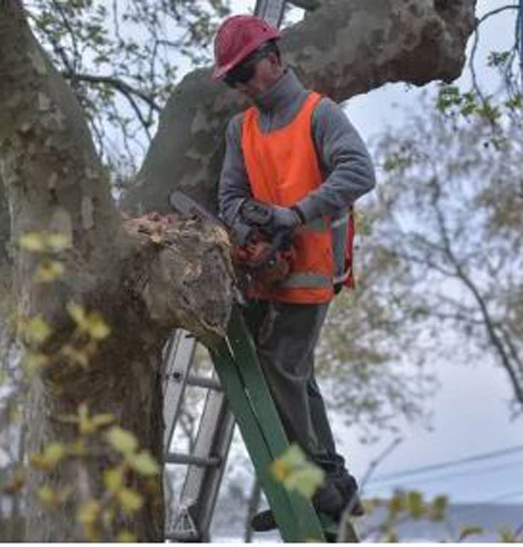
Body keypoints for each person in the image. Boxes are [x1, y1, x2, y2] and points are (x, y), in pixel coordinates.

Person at [213, 14, 376, 531]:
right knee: (291, 373)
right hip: (270, 267)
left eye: (246, 73)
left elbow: (358, 171)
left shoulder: (317, 114)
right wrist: (251, 227)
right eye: (233, 79)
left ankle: (314, 488)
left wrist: (295, 214)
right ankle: (333, 482)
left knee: (280, 367)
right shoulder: (240, 128)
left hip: (311, 267)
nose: (241, 86)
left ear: (275, 58)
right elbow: (231, 196)